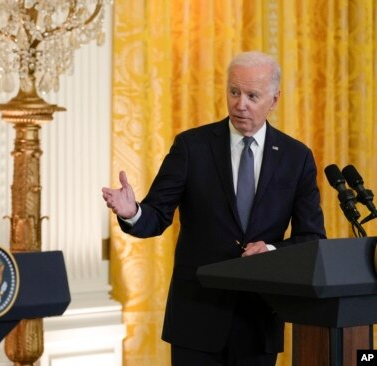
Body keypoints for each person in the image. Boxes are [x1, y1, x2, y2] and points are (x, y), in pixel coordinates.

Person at [102, 51, 326, 366]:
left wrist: (273, 249)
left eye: (252, 95)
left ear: (274, 100)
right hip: (196, 318)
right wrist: (132, 213)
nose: (240, 104)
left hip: (258, 320)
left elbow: (312, 238)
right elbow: (156, 215)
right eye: (234, 92)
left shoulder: (296, 157)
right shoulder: (192, 147)